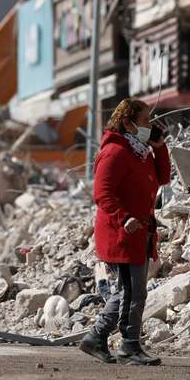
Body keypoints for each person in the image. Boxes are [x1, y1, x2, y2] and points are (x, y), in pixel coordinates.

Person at [79, 98, 171, 365]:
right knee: (132, 293)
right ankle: (129, 346)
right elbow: (102, 194)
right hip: (121, 234)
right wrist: (124, 218)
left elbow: (163, 178)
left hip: (139, 232)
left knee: (127, 292)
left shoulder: (139, 151)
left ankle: (95, 338)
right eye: (145, 121)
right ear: (128, 123)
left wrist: (159, 147)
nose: (150, 125)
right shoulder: (115, 152)